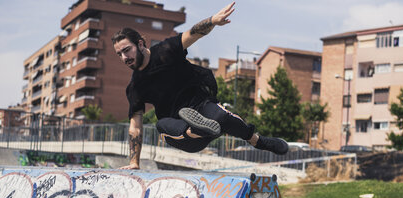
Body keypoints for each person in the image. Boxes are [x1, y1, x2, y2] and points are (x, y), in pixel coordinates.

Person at [112, 2, 288, 169]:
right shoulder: (136, 86)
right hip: (179, 133)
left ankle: (258, 141)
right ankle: (195, 129)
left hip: (201, 106)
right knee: (162, 125)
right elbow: (135, 126)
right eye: (119, 54)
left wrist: (213, 21)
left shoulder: (166, 50)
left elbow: (194, 33)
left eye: (127, 50)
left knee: (223, 116)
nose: (124, 57)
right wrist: (134, 161)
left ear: (140, 44)